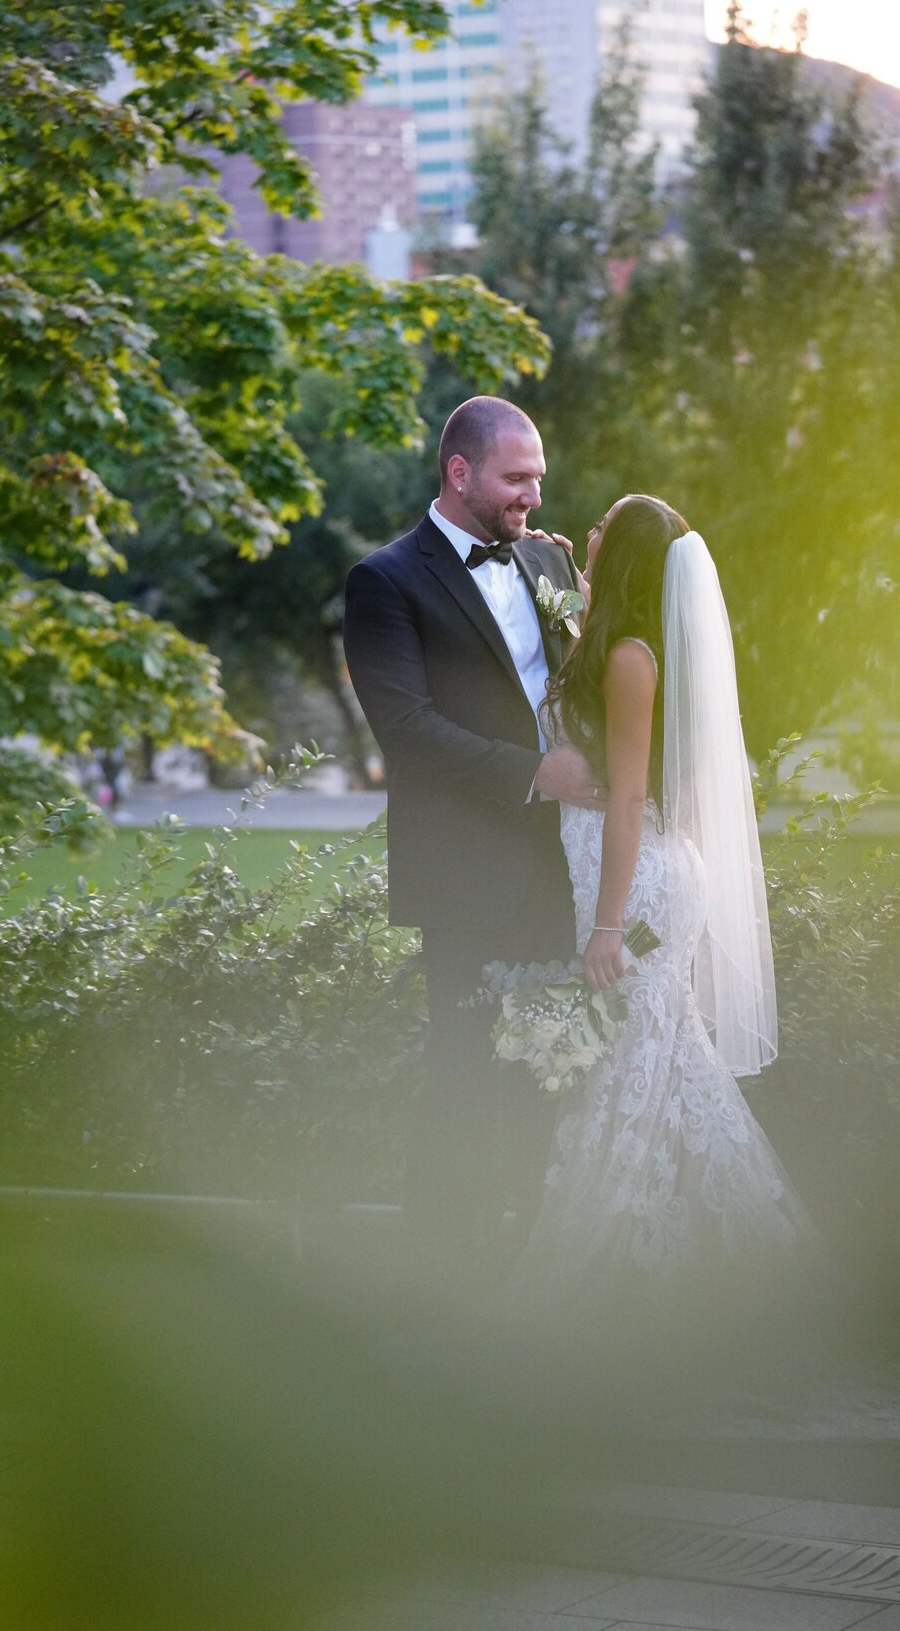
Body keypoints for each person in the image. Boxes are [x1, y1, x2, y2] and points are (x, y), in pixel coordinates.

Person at [521, 494, 818, 1299]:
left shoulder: (630, 659)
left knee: (633, 1058)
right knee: (655, 1056)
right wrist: (564, 578)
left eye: (602, 529)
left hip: (638, 887)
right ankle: (707, 1266)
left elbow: (624, 798)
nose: (588, 533)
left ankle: (625, 1264)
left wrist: (609, 926)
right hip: (635, 871)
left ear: (622, 557)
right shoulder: (622, 644)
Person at [342, 397, 603, 1244]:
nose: (533, 493)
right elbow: (408, 732)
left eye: (538, 476)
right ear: (460, 474)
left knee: (552, 1070)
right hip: (462, 876)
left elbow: (587, 685)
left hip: (560, 867)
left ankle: (526, 1252)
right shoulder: (384, 582)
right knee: (461, 1074)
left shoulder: (545, 564)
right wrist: (536, 773)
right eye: (515, 477)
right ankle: (439, 1273)